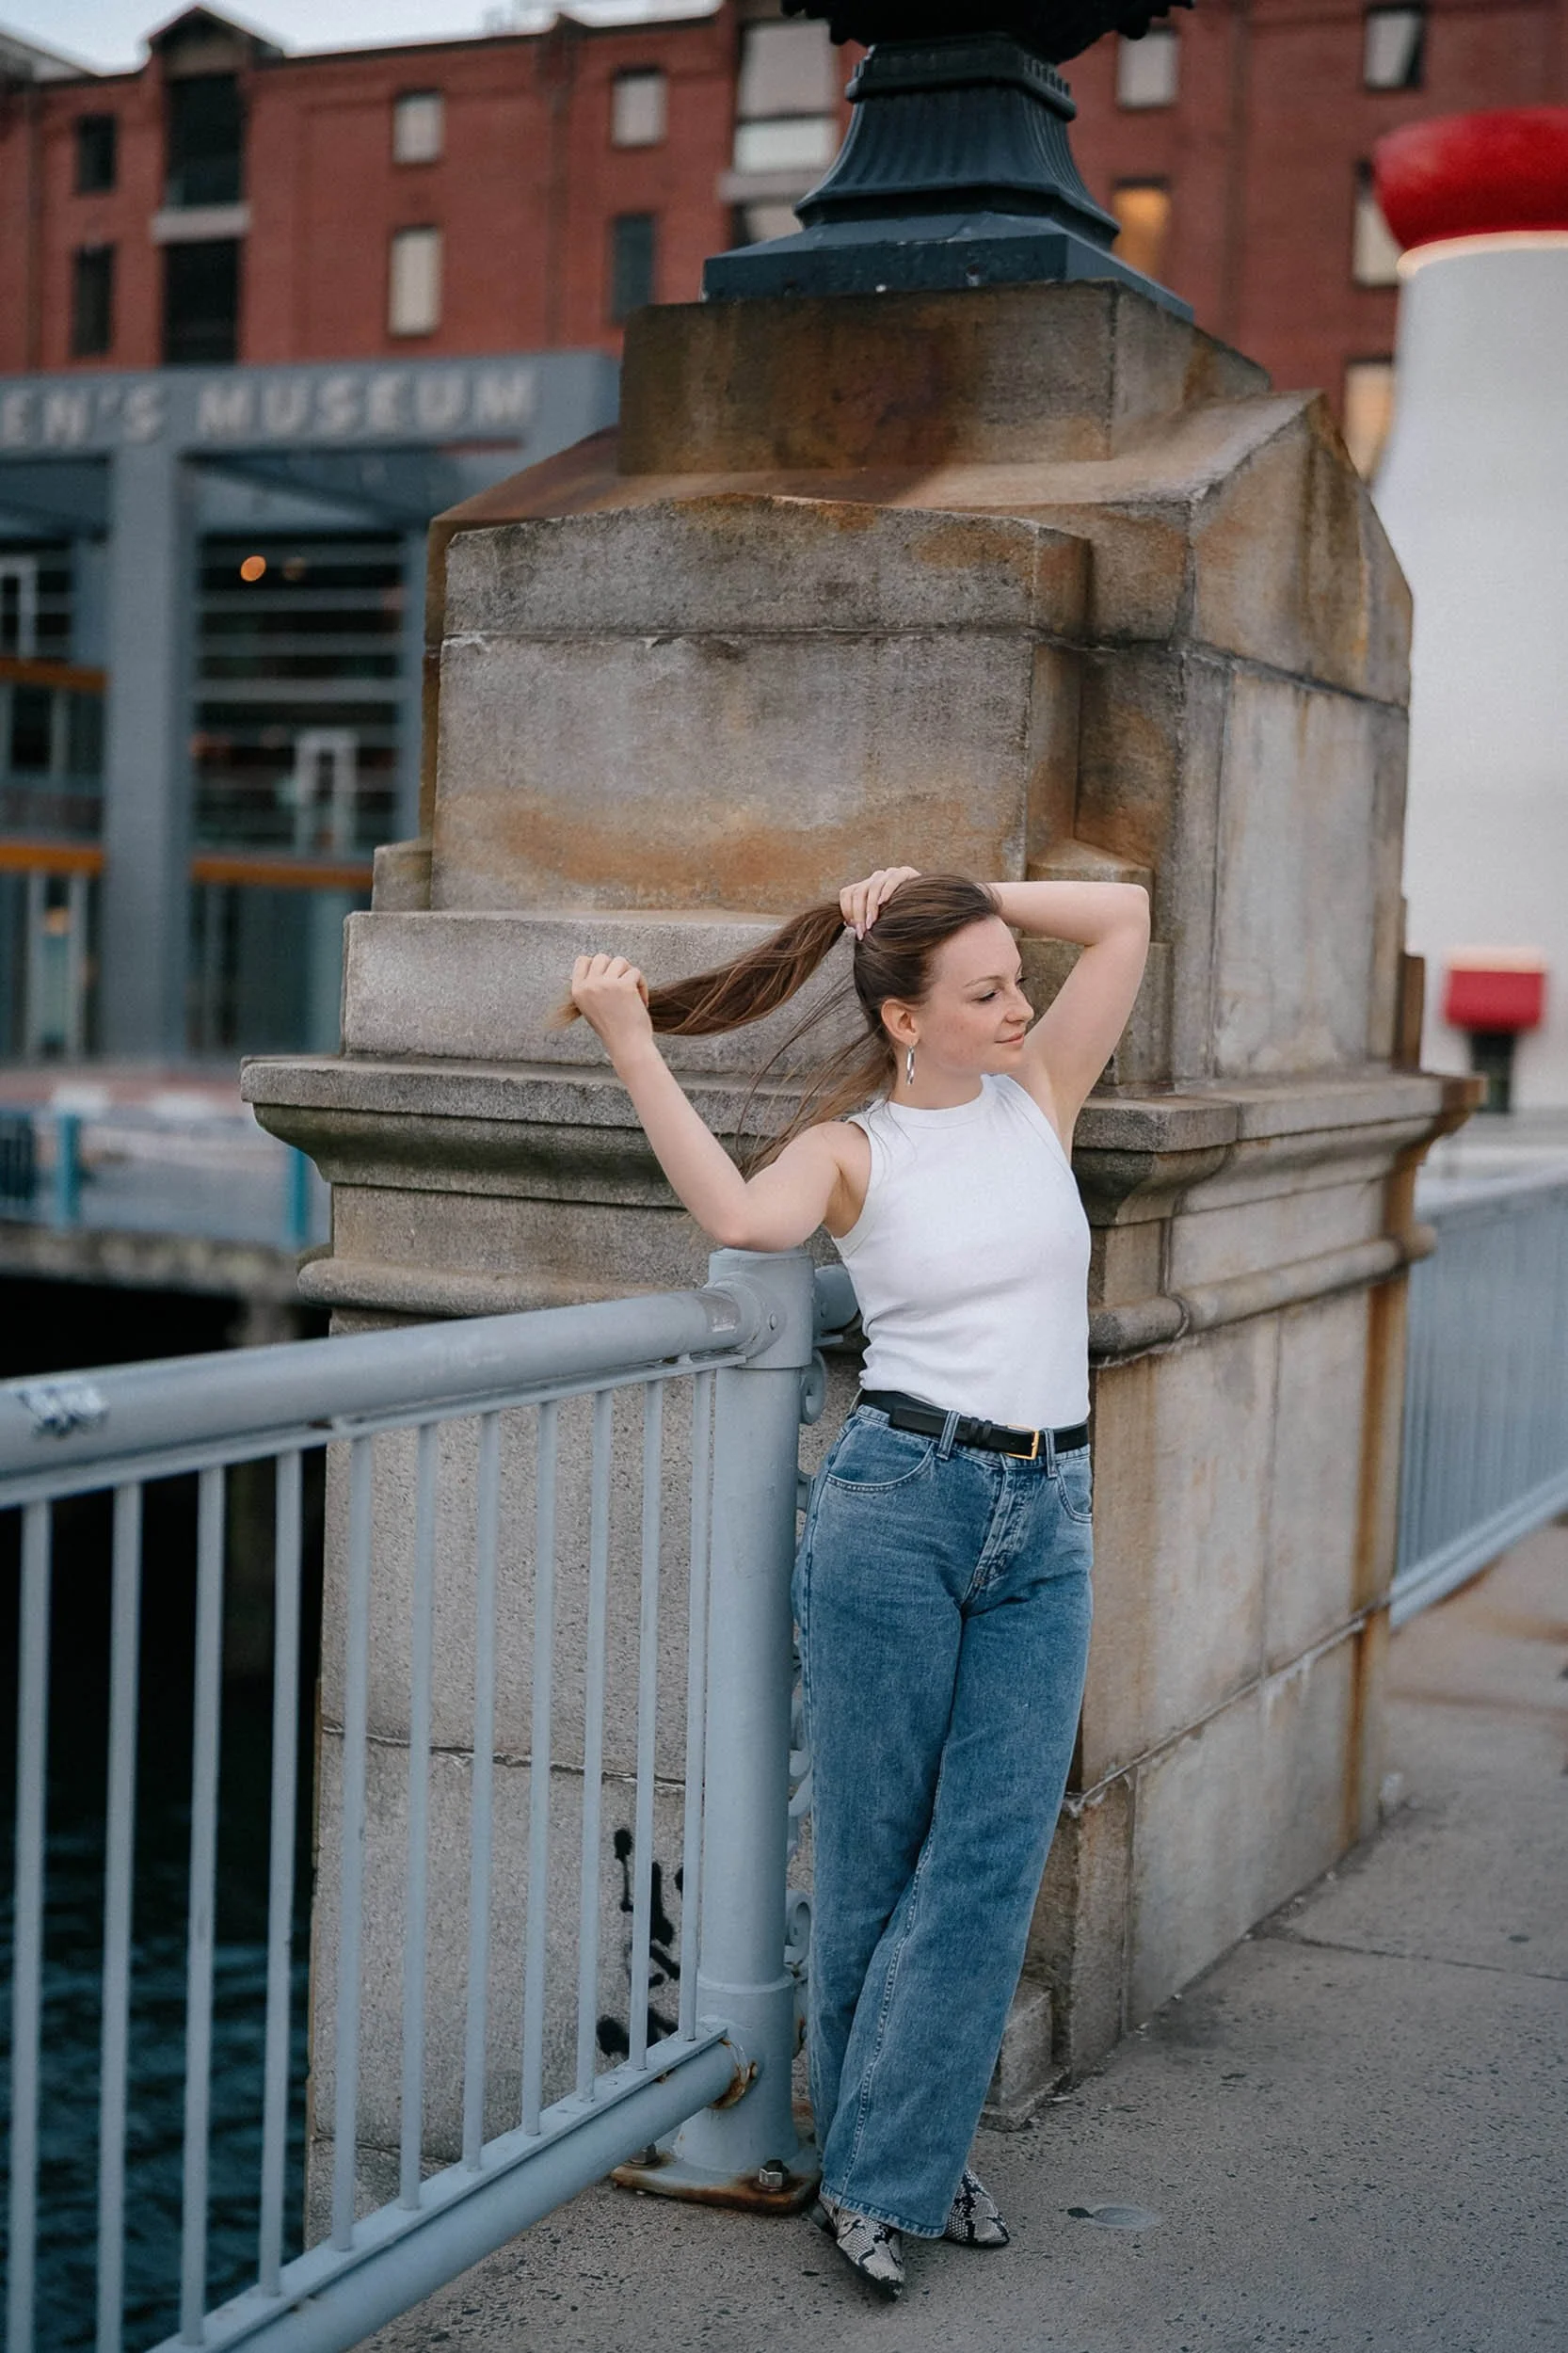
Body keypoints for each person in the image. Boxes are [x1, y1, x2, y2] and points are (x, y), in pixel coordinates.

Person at [566, 865, 1150, 2299]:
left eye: (1016, 980)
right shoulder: (848, 1152)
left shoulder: (1040, 1095)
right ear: (903, 1018)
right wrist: (632, 1041)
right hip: (899, 1506)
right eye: (984, 991)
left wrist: (952, 890)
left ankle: (888, 2163)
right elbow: (737, 1218)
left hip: (1048, 1512)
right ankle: (892, 2174)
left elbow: (1125, 916)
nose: (1018, 1007)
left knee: (991, 1852)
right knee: (876, 1859)